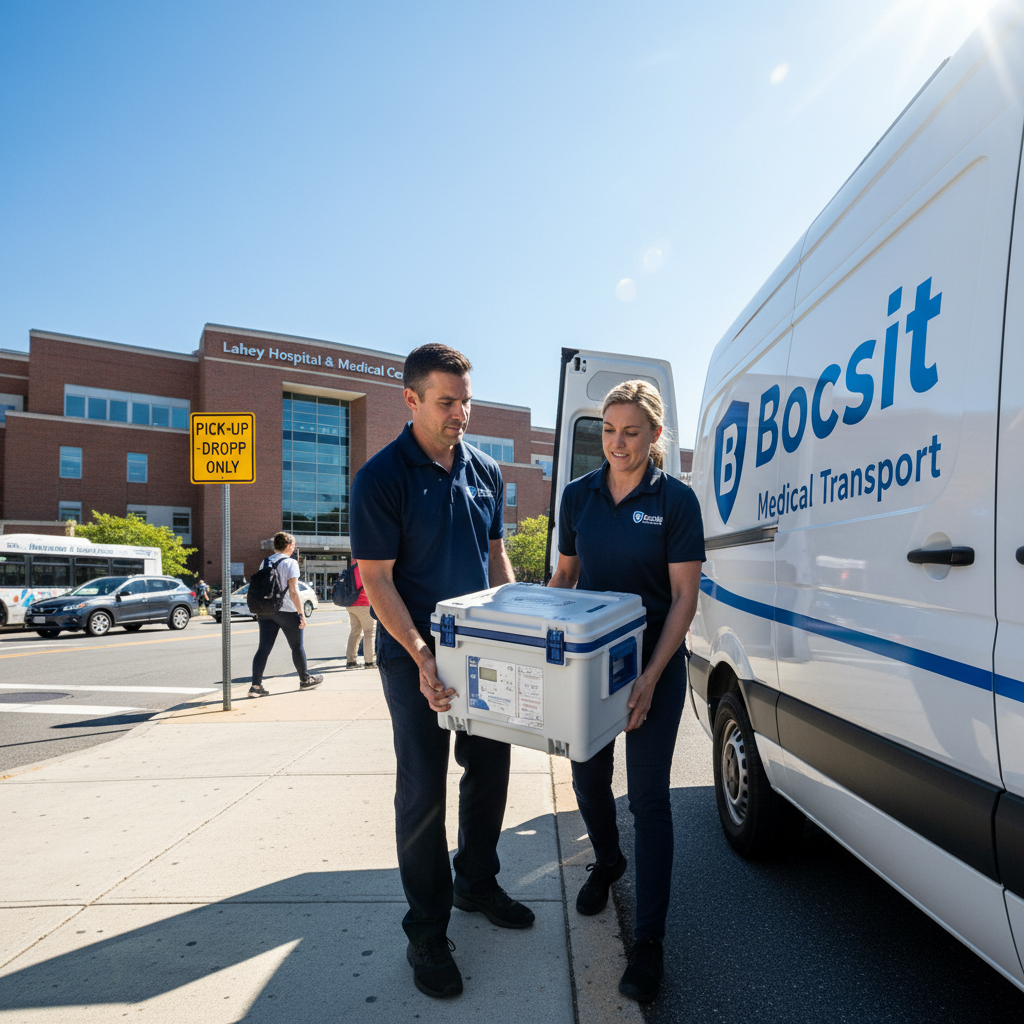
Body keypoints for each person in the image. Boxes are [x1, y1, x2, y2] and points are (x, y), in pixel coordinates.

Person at [350, 343, 533, 1000]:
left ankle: (476, 883)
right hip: (411, 654)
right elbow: (377, 581)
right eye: (447, 401)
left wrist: (515, 628)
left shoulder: (486, 471)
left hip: (481, 652)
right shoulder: (380, 478)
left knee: (490, 771)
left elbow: (496, 561)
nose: (461, 413)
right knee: (423, 788)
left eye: (466, 401)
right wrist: (424, 656)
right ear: (412, 400)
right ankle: (426, 928)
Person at [548, 380, 705, 1004]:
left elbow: (684, 599)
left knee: (648, 800)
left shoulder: (676, 502)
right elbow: (564, 576)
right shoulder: (577, 497)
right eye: (609, 431)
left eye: (631, 431)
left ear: (655, 436)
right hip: (590, 669)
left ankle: (648, 942)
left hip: (654, 670)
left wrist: (648, 677)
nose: (617, 443)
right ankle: (607, 859)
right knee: (587, 776)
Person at [248, 531, 324, 697]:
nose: (294, 547)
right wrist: (301, 614)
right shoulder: (290, 563)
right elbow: (294, 591)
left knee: (263, 648)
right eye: (294, 544)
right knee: (297, 646)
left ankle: (256, 686)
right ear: (290, 545)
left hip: (266, 610)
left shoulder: (265, 561)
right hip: (287, 610)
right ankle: (305, 680)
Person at [345, 560, 376, 669]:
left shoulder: (352, 568)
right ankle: (369, 662)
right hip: (363, 603)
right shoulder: (364, 566)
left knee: (355, 632)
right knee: (369, 632)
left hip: (351, 604)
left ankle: (351, 661)